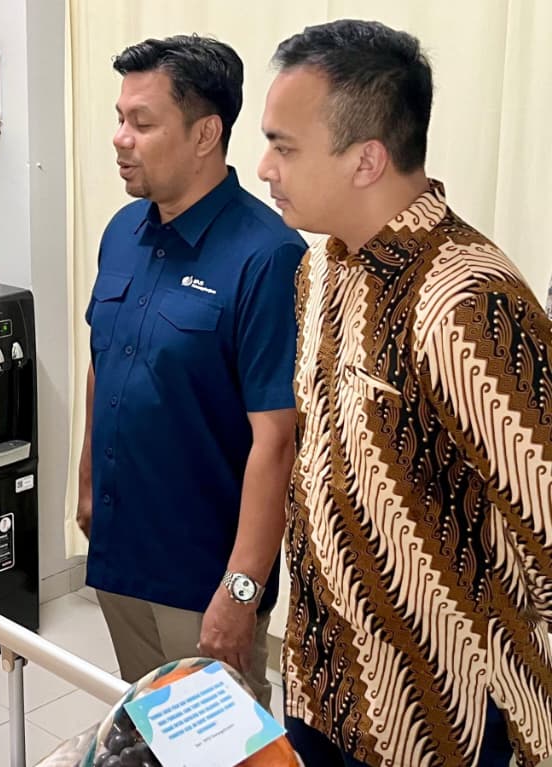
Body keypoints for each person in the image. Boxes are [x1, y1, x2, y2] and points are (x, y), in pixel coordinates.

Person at [258, 19, 552, 767]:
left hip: (441, 720)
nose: (264, 167)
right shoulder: (319, 270)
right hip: (320, 686)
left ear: (367, 159)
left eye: (284, 147)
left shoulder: (470, 301)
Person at [77, 35, 303, 708]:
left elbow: (278, 440)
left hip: (204, 573)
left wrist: (242, 590)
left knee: (220, 743)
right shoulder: (123, 231)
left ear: (206, 134)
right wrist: (86, 483)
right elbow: (103, 361)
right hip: (121, 549)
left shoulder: (268, 255)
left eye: (142, 123)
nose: (120, 138)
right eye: (119, 118)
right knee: (145, 727)